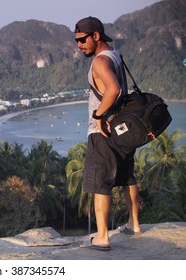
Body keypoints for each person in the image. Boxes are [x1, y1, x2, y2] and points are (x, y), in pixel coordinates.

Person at [74, 16, 141, 251]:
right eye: (77, 41)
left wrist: (98, 116)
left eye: (82, 39)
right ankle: (134, 223)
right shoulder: (115, 54)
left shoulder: (100, 61)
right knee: (126, 177)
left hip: (103, 132)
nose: (79, 44)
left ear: (96, 36)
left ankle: (102, 237)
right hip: (123, 131)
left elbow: (114, 89)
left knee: (99, 183)